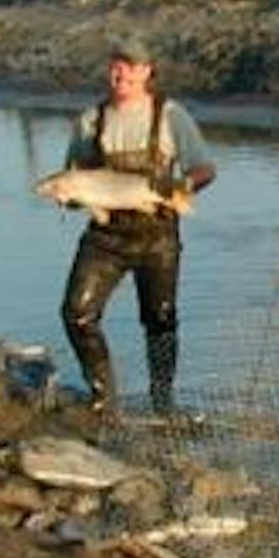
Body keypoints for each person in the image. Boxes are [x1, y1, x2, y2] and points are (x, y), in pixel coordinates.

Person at [54, 34, 216, 416]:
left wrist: (180, 187)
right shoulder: (89, 122)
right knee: (76, 314)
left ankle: (163, 402)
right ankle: (103, 398)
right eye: (115, 64)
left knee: (160, 321)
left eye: (130, 66)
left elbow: (205, 170)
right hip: (105, 237)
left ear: (147, 71)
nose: (120, 72)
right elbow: (75, 182)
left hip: (157, 236)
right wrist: (70, 197)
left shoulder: (171, 116)